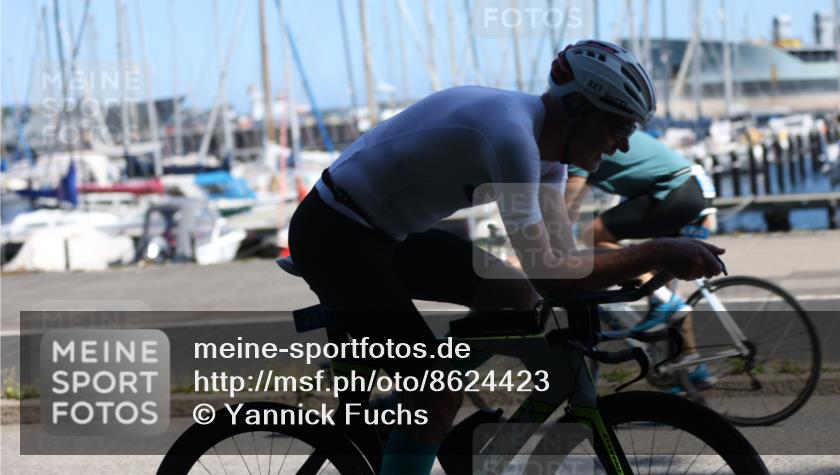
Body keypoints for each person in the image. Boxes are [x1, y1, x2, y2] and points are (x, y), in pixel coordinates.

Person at [287, 39, 726, 475]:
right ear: (577, 107)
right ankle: (426, 402)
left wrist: (648, 261)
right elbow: (549, 271)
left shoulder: (550, 161)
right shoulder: (511, 136)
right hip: (334, 233)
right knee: (437, 392)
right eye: (620, 128)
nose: (622, 147)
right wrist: (657, 251)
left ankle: (413, 409)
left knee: (515, 295)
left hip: (390, 234)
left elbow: (561, 262)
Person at [563, 130, 717, 390]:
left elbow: (570, 201)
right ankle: (692, 367)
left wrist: (550, 241)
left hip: (675, 189)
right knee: (666, 281)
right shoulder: (591, 132)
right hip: (694, 190)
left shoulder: (577, 141)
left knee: (592, 235)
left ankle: (663, 299)